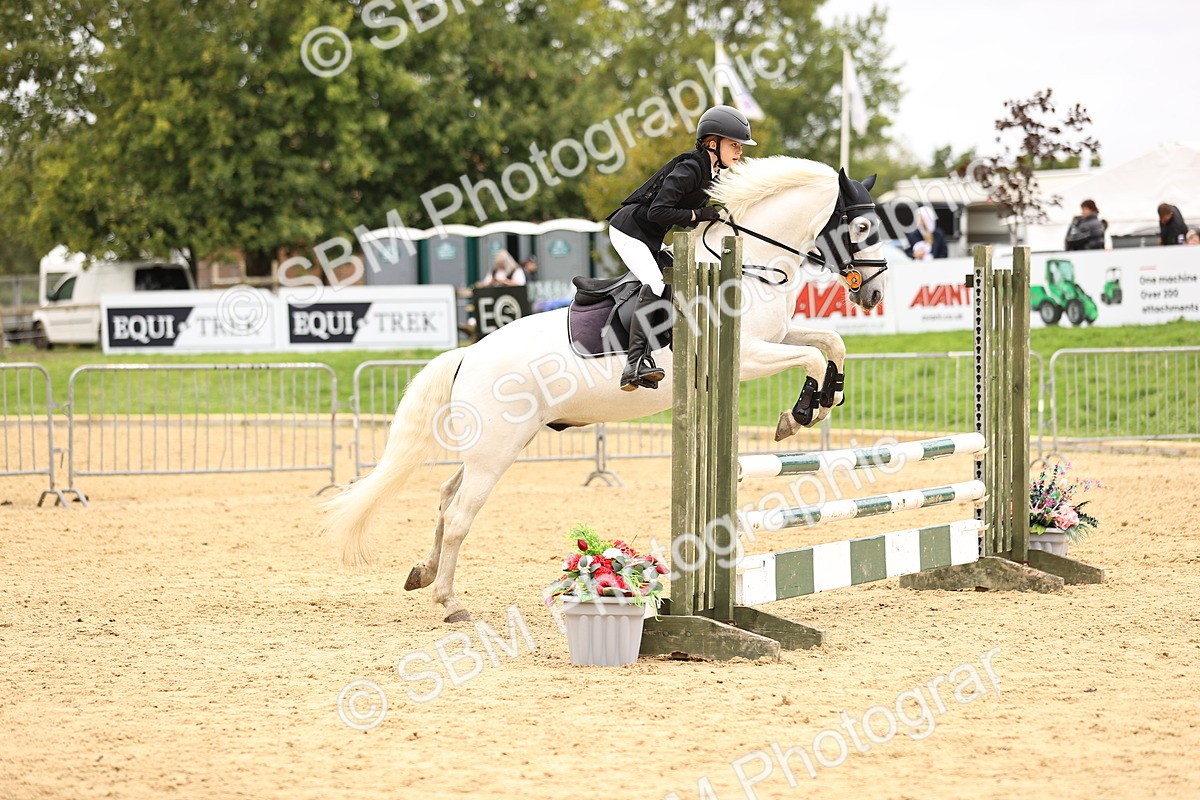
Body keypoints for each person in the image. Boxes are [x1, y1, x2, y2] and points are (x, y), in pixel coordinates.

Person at [606, 104, 756, 391]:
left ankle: (687, 359)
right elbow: (658, 212)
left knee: (676, 284)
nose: (739, 151)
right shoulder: (691, 168)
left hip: (650, 236)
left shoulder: (712, 173)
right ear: (713, 143)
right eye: (734, 145)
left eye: (740, 146)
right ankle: (634, 364)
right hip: (629, 231)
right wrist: (698, 215)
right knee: (655, 282)